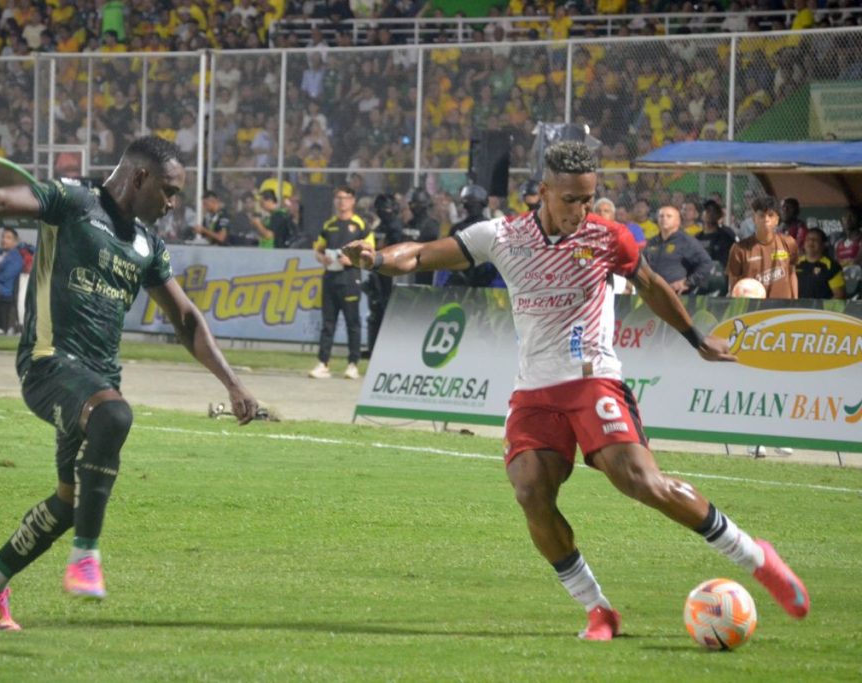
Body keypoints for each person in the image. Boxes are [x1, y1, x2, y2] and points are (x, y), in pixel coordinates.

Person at [342, 141, 809, 640]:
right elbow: (416, 256)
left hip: (594, 378)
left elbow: (650, 284)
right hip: (535, 391)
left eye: (588, 199)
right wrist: (373, 259)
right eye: (570, 200)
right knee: (529, 491)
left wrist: (696, 338)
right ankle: (598, 610)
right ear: (543, 191)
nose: (580, 211)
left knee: (641, 483)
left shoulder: (607, 238)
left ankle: (757, 558)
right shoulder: (501, 235)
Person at [0, 135, 258, 631]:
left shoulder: (148, 245)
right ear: (140, 177)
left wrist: (233, 384)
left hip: (95, 379)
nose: (172, 204)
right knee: (115, 414)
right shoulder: (74, 202)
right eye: (169, 191)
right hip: (47, 365)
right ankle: (85, 557)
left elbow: (187, 318)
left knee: (69, 501)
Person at [308, 185, 373, 380]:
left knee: (353, 322)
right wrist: (322, 259)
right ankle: (323, 363)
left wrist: (353, 260)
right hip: (330, 277)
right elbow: (318, 250)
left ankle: (353, 364)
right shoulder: (329, 225)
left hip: (350, 278)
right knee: (328, 322)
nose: (341, 202)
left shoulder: (360, 225)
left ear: (352, 200)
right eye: (338, 198)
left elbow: (371, 251)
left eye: (345, 198)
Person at [727, 195, 799, 299]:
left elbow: (792, 274)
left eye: (770, 215)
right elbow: (733, 284)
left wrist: (795, 301)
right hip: (753, 310)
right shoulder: (739, 248)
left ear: (777, 220)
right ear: (754, 219)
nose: (766, 219)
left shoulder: (789, 243)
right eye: (761, 215)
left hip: (782, 308)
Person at [436, 184, 502, 288]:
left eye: (473, 203)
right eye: (468, 203)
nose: (470, 206)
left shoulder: (493, 227)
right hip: (460, 282)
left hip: (486, 282)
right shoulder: (457, 228)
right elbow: (448, 258)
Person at [363, 192, 404, 358]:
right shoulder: (378, 228)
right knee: (375, 311)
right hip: (378, 274)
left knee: (392, 312)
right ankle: (373, 348)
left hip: (393, 275)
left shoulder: (397, 227)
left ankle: (390, 349)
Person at [642, 205, 713, 295]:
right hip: (652, 292)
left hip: (676, 295)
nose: (664, 219)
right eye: (661, 216)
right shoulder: (652, 242)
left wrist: (687, 283)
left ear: (678, 221)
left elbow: (706, 263)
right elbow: (642, 263)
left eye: (669, 216)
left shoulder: (686, 241)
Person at [401, 187, 439, 285]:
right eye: (411, 204)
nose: (412, 207)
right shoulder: (408, 224)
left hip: (425, 274)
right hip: (405, 272)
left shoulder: (432, 226)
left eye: (415, 205)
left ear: (423, 206)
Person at [796, 227, 846, 300]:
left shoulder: (831, 266)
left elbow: (839, 295)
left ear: (823, 245)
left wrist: (823, 310)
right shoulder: (796, 263)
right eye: (808, 239)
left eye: (815, 240)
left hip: (822, 310)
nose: (811, 242)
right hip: (798, 308)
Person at [695, 199, 737, 268]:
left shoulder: (726, 236)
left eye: (713, 211)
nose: (710, 213)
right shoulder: (697, 237)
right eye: (707, 210)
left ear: (719, 215)